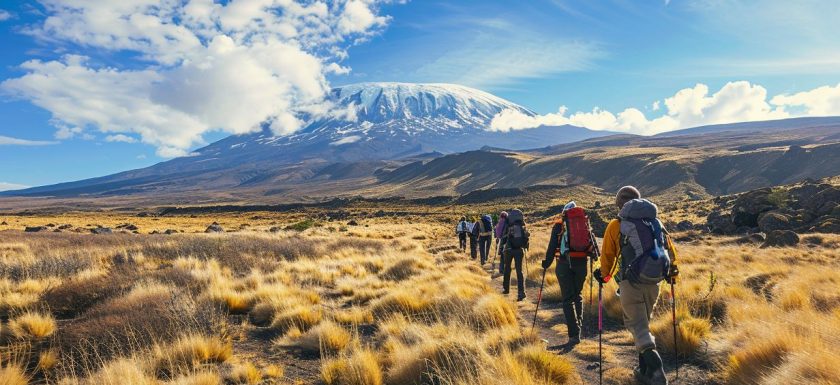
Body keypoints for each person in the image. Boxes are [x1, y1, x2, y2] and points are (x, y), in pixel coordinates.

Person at [594, 186, 680, 385]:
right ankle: (644, 372)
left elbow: (608, 257)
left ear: (620, 203)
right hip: (654, 282)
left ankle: (657, 371)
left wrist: (603, 276)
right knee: (644, 324)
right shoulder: (656, 223)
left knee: (637, 326)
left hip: (630, 283)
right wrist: (672, 273)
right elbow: (670, 250)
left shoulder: (617, 225)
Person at [541, 201, 597, 345]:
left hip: (564, 265)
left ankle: (574, 334)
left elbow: (552, 246)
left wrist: (546, 263)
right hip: (581, 264)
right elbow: (595, 249)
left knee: (567, 299)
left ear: (564, 212)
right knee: (577, 295)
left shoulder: (559, 225)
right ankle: (579, 327)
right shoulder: (585, 223)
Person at [501, 209, 529, 301]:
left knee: (507, 268)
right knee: (519, 271)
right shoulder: (522, 225)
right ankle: (521, 293)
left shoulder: (508, 225)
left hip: (508, 249)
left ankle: (506, 289)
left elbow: (503, 236)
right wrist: (525, 246)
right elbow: (526, 237)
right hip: (519, 250)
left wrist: (502, 247)